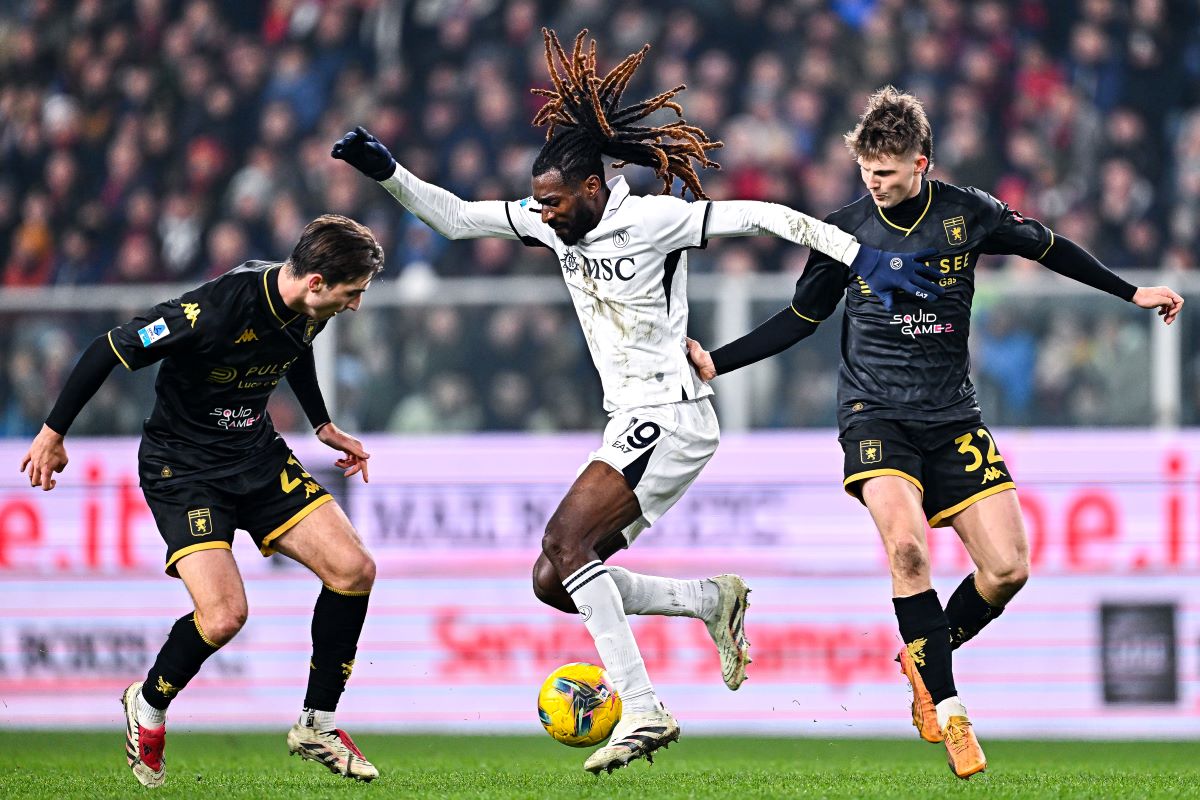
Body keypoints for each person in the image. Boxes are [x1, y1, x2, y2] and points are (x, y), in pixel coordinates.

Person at [333, 31, 943, 774]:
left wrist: (864, 258)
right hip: (630, 418)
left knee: (565, 542)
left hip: (671, 413)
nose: (545, 216)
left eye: (556, 204)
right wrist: (388, 172)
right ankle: (708, 602)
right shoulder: (551, 218)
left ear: (594, 189)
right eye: (540, 205)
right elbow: (458, 219)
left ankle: (645, 709)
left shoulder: (656, 220)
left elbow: (768, 218)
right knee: (554, 580)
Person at [686, 86, 1184, 779]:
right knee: (908, 551)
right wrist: (719, 360)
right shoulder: (844, 229)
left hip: (952, 417)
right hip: (875, 416)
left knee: (1009, 569)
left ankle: (923, 653)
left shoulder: (967, 212)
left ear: (922, 162)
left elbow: (1049, 248)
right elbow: (802, 317)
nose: (874, 184)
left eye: (886, 173)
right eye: (866, 172)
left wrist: (1133, 292)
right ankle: (950, 713)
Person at [20, 214, 386, 787]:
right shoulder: (210, 312)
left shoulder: (306, 308)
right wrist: (52, 432)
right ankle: (147, 702)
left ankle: (317, 723)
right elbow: (107, 349)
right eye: (352, 293)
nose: (356, 305)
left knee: (354, 569)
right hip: (183, 469)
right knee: (223, 616)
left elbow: (296, 347)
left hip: (256, 455)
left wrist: (322, 425)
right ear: (315, 282)